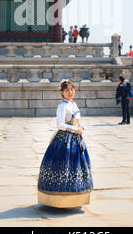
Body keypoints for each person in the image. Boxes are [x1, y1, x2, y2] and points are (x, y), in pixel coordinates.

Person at [38, 80, 93, 208]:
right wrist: (75, 130)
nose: (70, 92)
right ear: (62, 92)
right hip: (64, 140)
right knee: (64, 166)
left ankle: (76, 199)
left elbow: (77, 121)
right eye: (67, 90)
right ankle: (59, 200)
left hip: (76, 139)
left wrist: (81, 128)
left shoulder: (74, 104)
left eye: (72, 89)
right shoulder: (62, 106)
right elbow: (60, 125)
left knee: (77, 167)